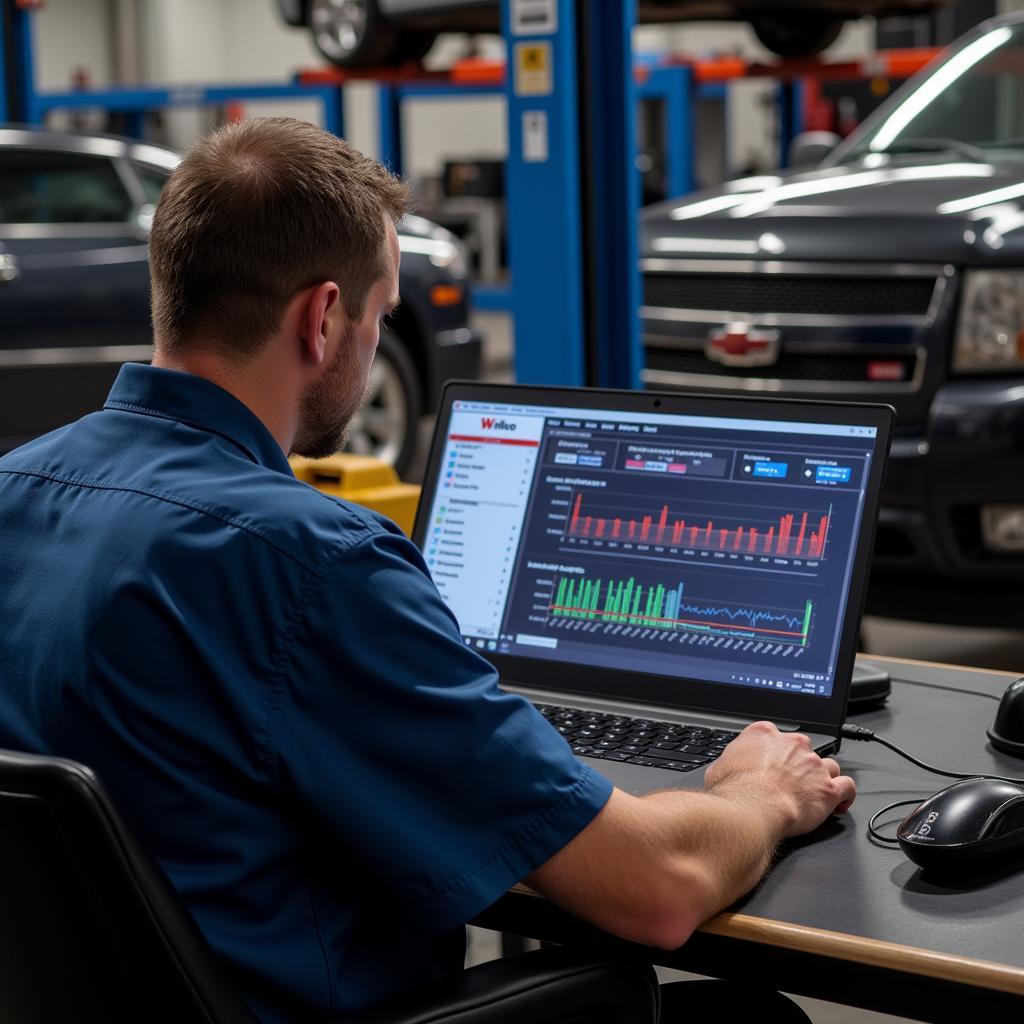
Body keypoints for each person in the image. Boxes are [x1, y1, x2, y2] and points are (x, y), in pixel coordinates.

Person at [0, 118, 854, 1024]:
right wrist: (761, 792)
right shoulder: (314, 567)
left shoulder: (13, 490)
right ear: (323, 318)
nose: (375, 347)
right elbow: (659, 886)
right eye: (383, 316)